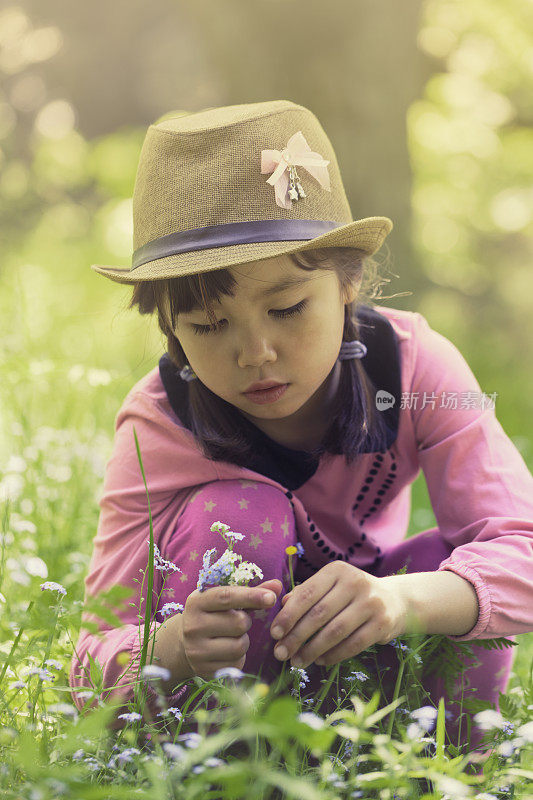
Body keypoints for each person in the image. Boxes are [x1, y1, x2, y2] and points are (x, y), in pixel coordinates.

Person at [69, 100, 533, 756]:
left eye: (286, 308)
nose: (254, 353)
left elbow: (521, 544)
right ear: (168, 325)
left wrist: (401, 602)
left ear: (347, 283)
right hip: (215, 696)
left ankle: (448, 771)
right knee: (239, 508)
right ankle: (220, 770)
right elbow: (85, 664)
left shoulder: (414, 366)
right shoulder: (160, 423)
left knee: (447, 570)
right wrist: (170, 647)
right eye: (207, 325)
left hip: (373, 671)